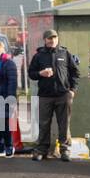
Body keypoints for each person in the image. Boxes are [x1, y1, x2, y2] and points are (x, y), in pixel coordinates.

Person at [27, 29, 79, 161]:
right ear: (45, 40)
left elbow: (75, 73)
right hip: (45, 95)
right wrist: (40, 73)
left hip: (63, 94)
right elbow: (31, 73)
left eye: (54, 38)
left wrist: (72, 90)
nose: (52, 40)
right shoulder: (39, 55)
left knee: (64, 124)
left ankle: (65, 150)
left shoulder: (65, 53)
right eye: (50, 38)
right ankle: (41, 150)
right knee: (44, 124)